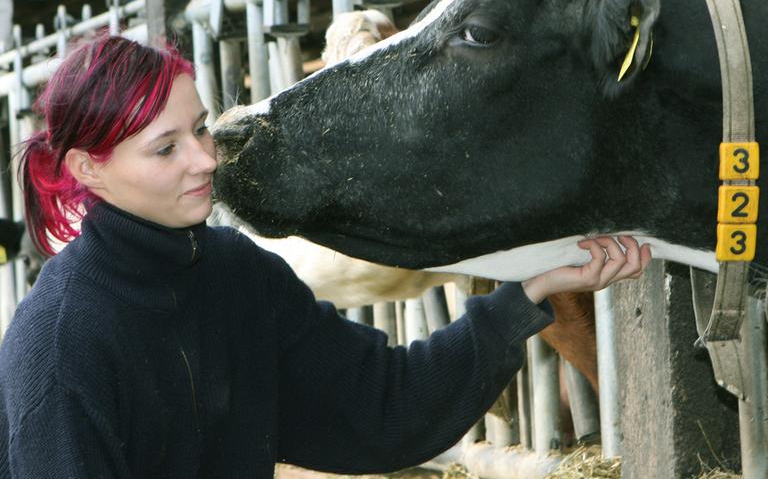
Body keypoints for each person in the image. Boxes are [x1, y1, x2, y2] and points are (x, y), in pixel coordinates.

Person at [0, 33, 651, 478]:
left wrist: (527, 298)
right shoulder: (61, 347)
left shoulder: (234, 274)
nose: (206, 159)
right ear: (90, 168)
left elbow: (382, 406)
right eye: (166, 148)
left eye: (200, 128)